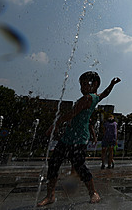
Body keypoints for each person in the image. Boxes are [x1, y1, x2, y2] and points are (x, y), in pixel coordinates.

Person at [37, 72, 121, 207]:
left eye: (85, 84)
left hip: (79, 139)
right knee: (53, 164)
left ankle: (93, 192)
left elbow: (70, 114)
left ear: (94, 85)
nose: (82, 87)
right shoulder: (95, 97)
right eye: (81, 84)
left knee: (79, 166)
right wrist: (111, 84)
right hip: (68, 137)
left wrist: (55, 124)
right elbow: (105, 94)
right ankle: (50, 196)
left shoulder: (87, 98)